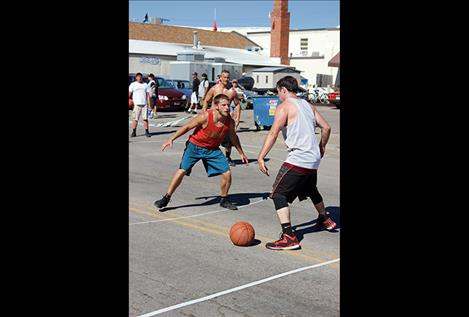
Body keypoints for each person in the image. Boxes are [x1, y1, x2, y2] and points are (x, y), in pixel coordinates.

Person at [257, 76, 336, 251]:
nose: (278, 96)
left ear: (284, 90)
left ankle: (289, 237)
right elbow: (327, 127)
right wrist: (321, 146)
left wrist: (261, 156)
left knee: (278, 194)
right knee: (310, 188)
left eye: (278, 92)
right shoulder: (307, 105)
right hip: (313, 158)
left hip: (298, 159)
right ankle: (324, 219)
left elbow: (273, 133)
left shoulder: (284, 107)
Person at [154, 94, 249, 211]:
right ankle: (166, 197)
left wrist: (241, 153)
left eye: (228, 105)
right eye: (223, 105)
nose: (227, 108)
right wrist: (171, 138)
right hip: (194, 147)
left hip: (212, 149)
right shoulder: (205, 116)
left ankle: (224, 199)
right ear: (216, 106)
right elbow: (187, 127)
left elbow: (233, 137)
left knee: (227, 173)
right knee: (182, 170)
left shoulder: (229, 121)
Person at [202, 70, 241, 167]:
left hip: (226, 119)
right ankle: (208, 158)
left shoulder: (232, 91)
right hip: (213, 119)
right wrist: (204, 114)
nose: (226, 79)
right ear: (220, 78)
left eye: (228, 77)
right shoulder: (214, 89)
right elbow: (206, 101)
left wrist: (237, 118)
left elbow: (238, 105)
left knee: (229, 140)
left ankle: (227, 158)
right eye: (224, 77)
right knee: (210, 139)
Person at [129, 73, 151, 138]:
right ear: (136, 78)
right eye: (138, 77)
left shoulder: (145, 85)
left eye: (140, 77)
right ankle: (134, 132)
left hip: (144, 104)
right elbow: (129, 94)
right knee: (135, 119)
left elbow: (148, 95)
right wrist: (130, 101)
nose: (139, 78)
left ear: (142, 78)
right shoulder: (133, 85)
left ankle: (147, 132)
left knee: (145, 119)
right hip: (136, 104)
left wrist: (149, 104)